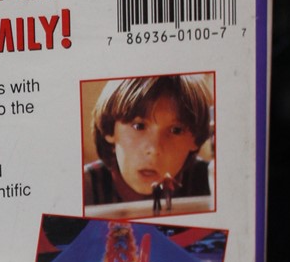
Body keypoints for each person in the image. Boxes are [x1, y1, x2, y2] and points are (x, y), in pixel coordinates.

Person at [83, 74, 213, 209]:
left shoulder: (213, 183)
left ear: (196, 139)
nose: (154, 149)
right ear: (110, 130)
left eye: (176, 130)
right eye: (139, 126)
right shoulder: (82, 189)